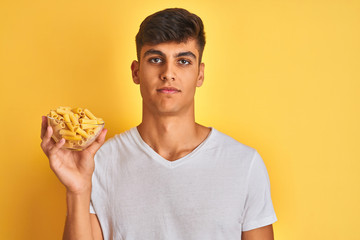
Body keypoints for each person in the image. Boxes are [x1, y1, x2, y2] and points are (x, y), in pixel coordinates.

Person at [41, 8, 277, 240]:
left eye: (183, 61)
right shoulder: (98, 163)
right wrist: (77, 191)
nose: (168, 73)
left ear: (200, 75)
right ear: (136, 72)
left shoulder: (244, 164)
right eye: (156, 59)